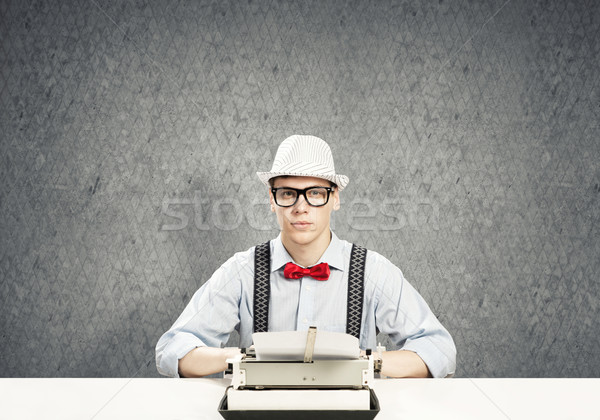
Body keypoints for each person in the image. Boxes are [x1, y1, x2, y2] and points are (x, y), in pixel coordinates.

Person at [156, 135, 456, 378]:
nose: (301, 207)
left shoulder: (372, 273)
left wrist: (368, 361)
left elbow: (439, 349)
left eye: (315, 193)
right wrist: (241, 357)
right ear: (272, 200)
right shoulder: (243, 272)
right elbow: (173, 349)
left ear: (335, 198)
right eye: (287, 193)